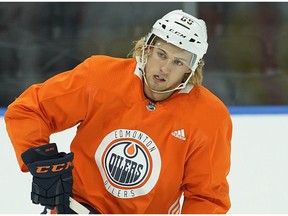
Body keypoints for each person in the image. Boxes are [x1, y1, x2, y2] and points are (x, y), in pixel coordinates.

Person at [4, 9, 232, 214]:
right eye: (161, 54)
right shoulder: (100, 77)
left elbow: (207, 197)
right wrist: (41, 160)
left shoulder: (209, 117)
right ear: (147, 49)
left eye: (178, 62)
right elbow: (30, 109)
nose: (165, 68)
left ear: (191, 70)